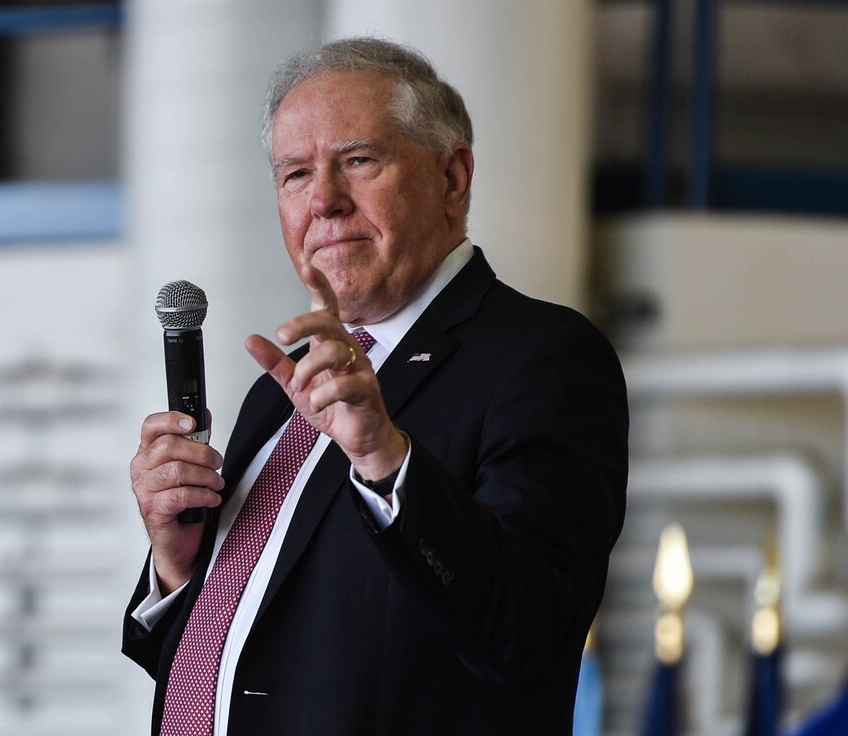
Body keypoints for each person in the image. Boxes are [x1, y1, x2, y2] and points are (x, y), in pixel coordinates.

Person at [123, 37, 628, 735]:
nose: (323, 201)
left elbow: (530, 634)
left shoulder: (542, 357)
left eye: (358, 161)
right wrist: (180, 568)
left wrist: (386, 461)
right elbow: (241, 662)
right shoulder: (281, 387)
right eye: (296, 174)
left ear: (452, 177)